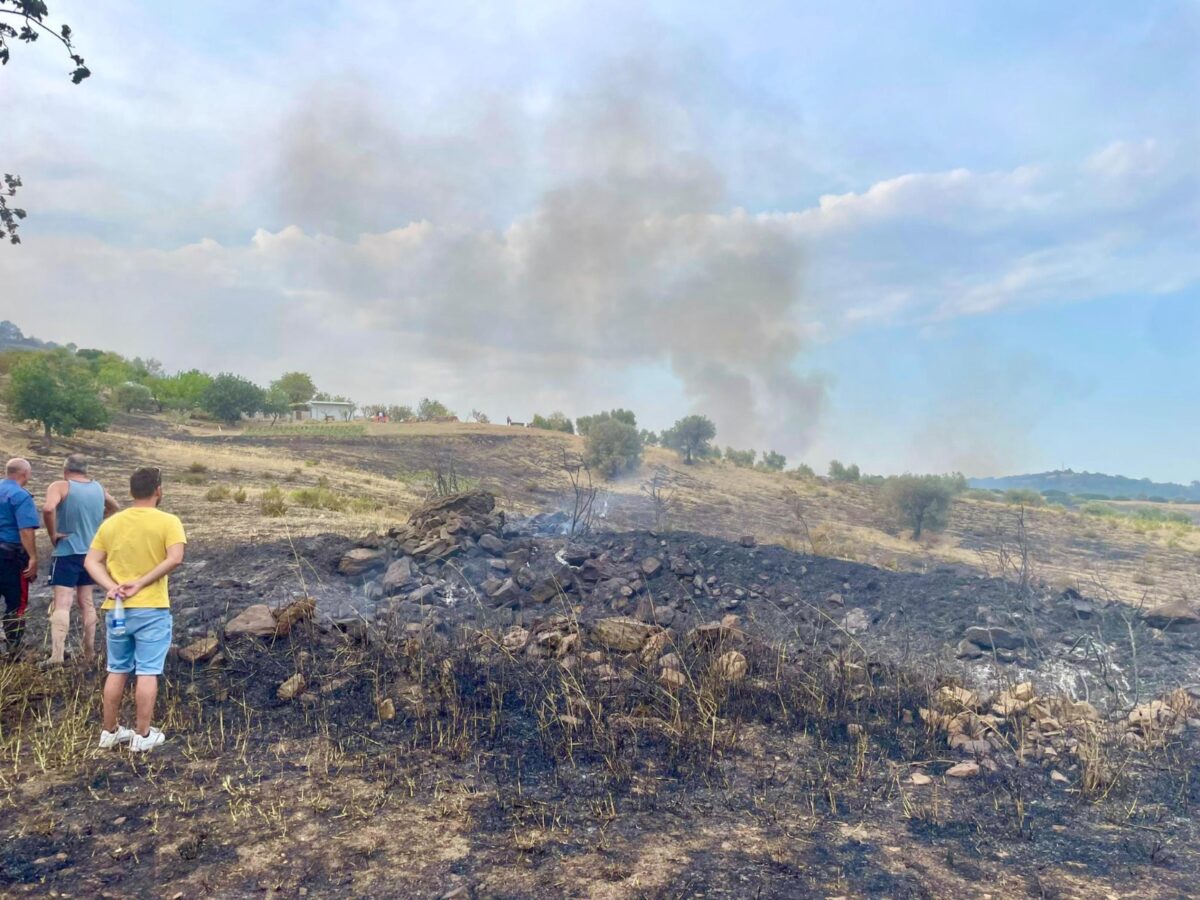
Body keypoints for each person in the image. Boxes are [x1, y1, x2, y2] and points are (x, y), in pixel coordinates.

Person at [84, 466, 186, 752]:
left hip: (116, 609)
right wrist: (141, 583)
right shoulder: (168, 521)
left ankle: (110, 731)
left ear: (130, 491)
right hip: (151, 608)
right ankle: (142, 735)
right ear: (158, 490)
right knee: (147, 671)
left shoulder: (112, 523)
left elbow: (91, 561)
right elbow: (175, 557)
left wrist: (110, 586)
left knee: (116, 668)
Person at [42, 454, 120, 665]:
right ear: (86, 470)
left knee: (63, 603)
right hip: (91, 555)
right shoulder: (98, 488)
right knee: (87, 602)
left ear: (65, 469)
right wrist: (96, 521)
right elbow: (115, 507)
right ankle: (89, 653)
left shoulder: (60, 486)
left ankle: (56, 655)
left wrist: (53, 534)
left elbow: (48, 508)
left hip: (67, 551)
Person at [0, 458, 39, 657]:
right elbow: (26, 530)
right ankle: (14, 649)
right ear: (24, 474)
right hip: (10, 557)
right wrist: (32, 557)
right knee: (16, 603)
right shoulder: (20, 496)